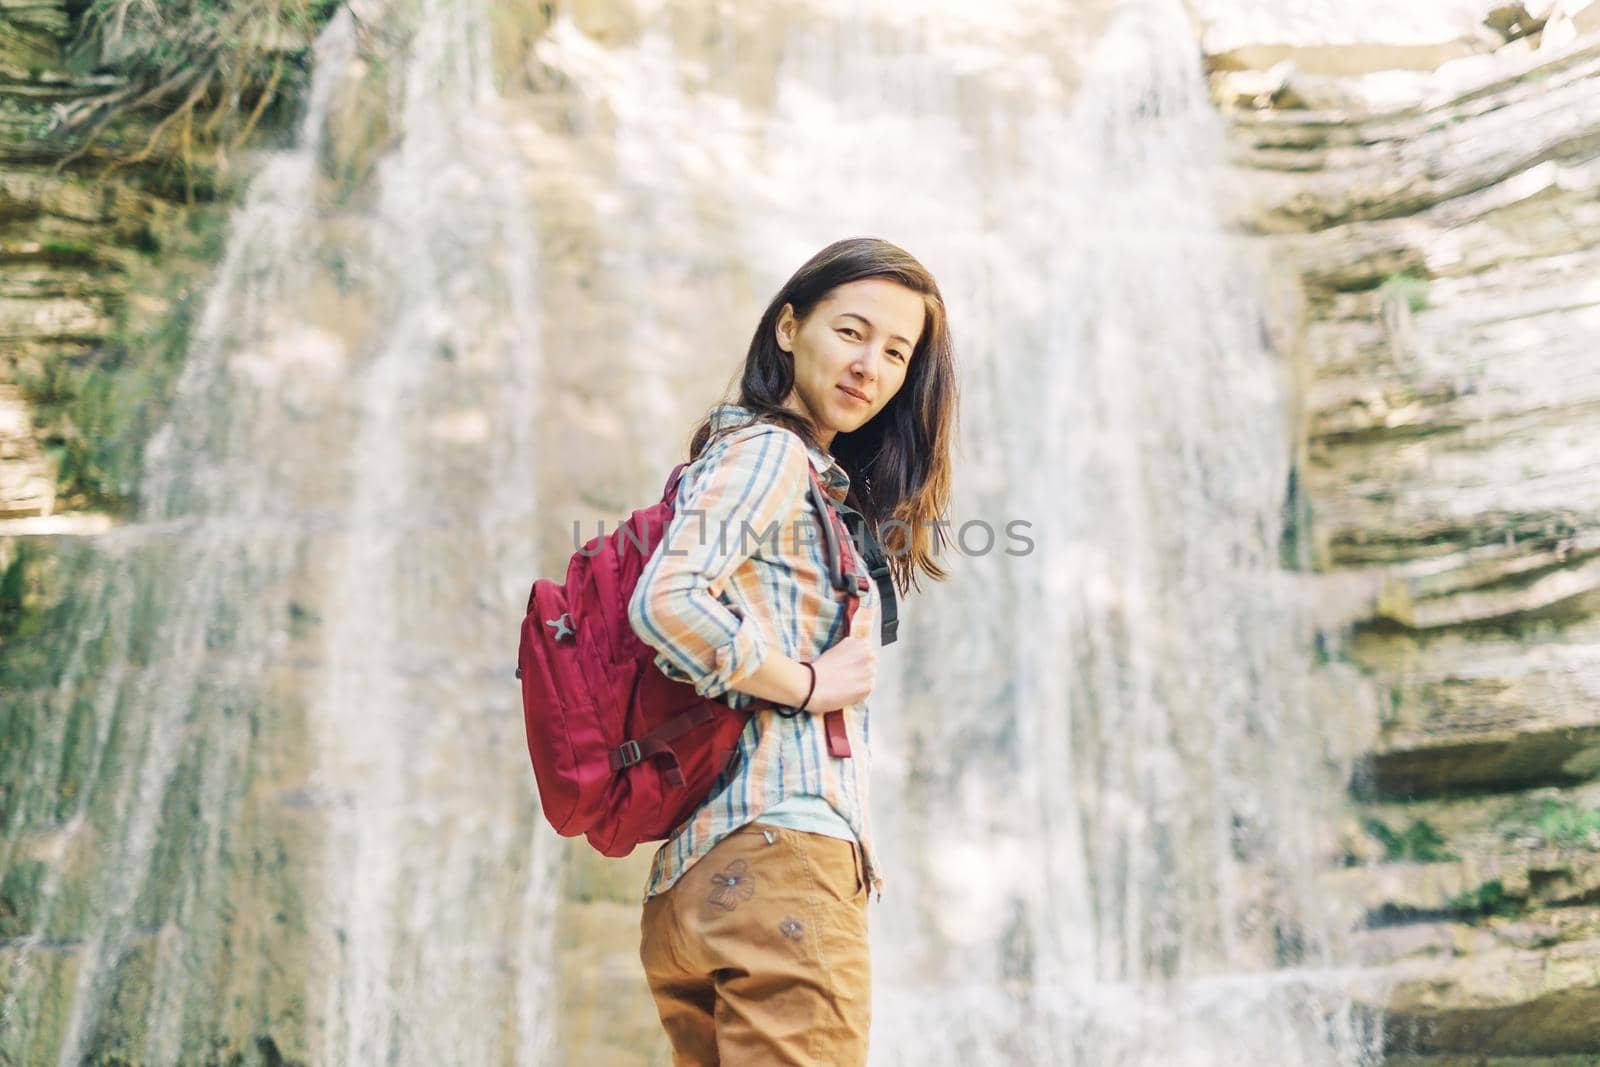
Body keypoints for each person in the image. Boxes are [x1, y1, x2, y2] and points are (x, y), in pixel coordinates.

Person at [626, 235, 958, 1065]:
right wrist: (808, 683)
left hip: (701, 885)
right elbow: (666, 600)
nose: (869, 367)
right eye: (851, 332)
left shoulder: (739, 459)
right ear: (787, 328)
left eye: (895, 352)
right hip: (784, 864)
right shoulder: (773, 451)